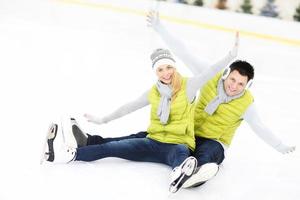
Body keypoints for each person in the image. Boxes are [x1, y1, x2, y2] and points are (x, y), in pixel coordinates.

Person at [70, 10, 296, 189]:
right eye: (233, 79)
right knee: (142, 138)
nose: (234, 86)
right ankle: (91, 141)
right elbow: (184, 51)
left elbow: (260, 127)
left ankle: (198, 171)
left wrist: (280, 146)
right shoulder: (209, 76)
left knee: (208, 153)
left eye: (240, 84)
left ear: (247, 86)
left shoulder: (247, 103)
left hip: (214, 141)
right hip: (185, 133)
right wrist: (159, 28)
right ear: (227, 74)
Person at [43, 42, 238, 192]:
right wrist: (103, 119)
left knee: (180, 157)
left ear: (174, 67)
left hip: (179, 144)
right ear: (156, 72)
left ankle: (179, 175)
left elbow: (210, 72)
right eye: (160, 69)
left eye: (168, 67)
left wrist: (230, 56)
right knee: (111, 148)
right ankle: (69, 155)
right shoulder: (154, 92)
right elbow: (128, 107)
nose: (166, 73)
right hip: (152, 142)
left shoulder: (189, 86)